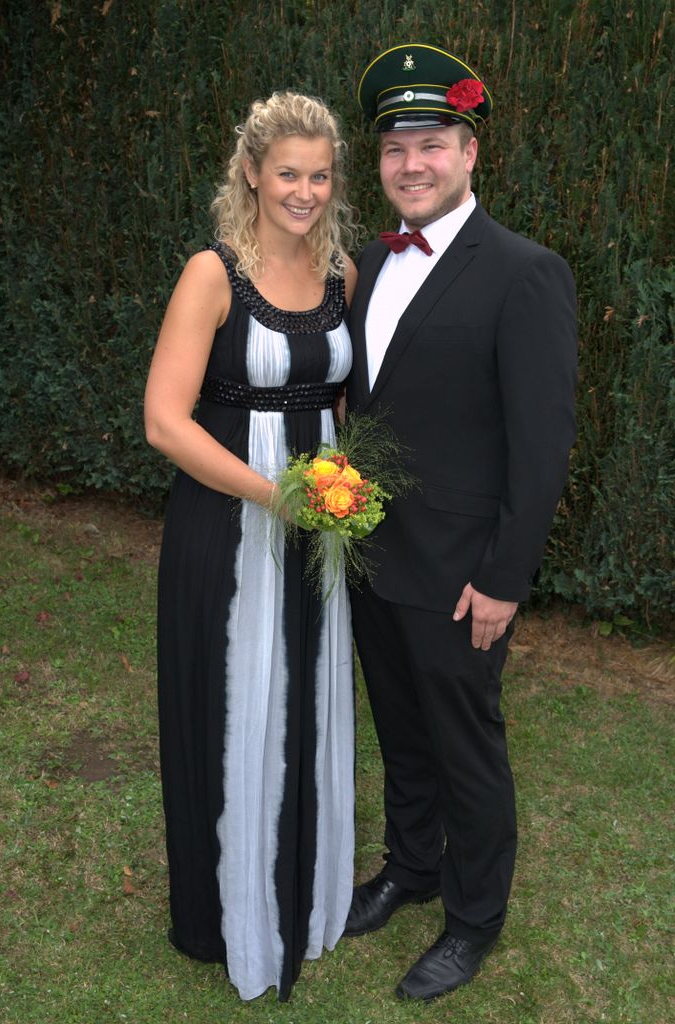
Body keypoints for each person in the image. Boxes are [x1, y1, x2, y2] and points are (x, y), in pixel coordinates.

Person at [344, 44, 577, 1002]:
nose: (412, 165)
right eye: (395, 148)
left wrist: (504, 579)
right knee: (401, 733)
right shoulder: (367, 261)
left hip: (459, 573)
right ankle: (412, 866)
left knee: (464, 748)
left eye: (431, 145)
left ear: (470, 153)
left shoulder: (525, 272)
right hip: (369, 556)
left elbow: (541, 445)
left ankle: (475, 918)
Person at [144, 91, 358, 1003]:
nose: (304, 192)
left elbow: (339, 401)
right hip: (230, 527)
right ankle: (227, 912)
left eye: (320, 176)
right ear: (251, 172)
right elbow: (164, 421)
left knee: (308, 695)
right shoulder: (212, 274)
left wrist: (341, 493)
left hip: (320, 530)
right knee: (236, 701)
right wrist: (280, 498)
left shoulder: (341, 272)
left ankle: (304, 894)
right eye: (288, 174)